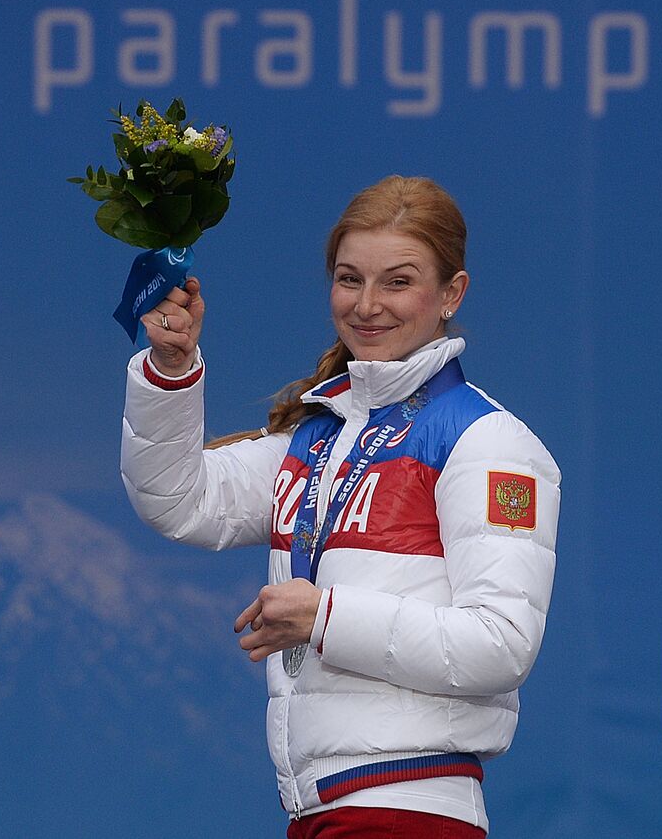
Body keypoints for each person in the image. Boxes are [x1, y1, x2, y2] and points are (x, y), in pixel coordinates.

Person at [119, 175, 560, 838]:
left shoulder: (486, 442)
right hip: (323, 812)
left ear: (451, 294)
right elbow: (180, 501)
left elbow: (501, 646)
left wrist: (323, 616)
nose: (368, 305)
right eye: (350, 279)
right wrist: (170, 368)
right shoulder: (315, 435)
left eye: (398, 281)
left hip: (406, 812)